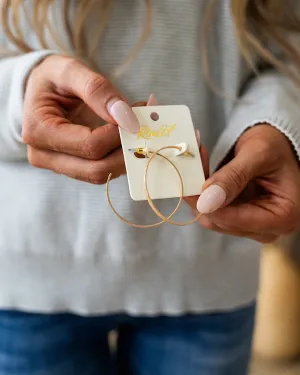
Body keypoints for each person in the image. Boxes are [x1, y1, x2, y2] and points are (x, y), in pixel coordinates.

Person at [0, 0, 299, 374]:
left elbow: (289, 43)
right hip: (27, 278)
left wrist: (277, 124)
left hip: (205, 277)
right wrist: (18, 96)